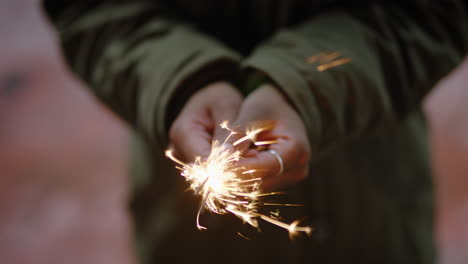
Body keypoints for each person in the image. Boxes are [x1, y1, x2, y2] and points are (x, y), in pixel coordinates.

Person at [43, 0, 467, 263]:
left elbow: (434, 11)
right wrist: (183, 81)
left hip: (371, 212)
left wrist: (308, 90)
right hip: (188, 243)